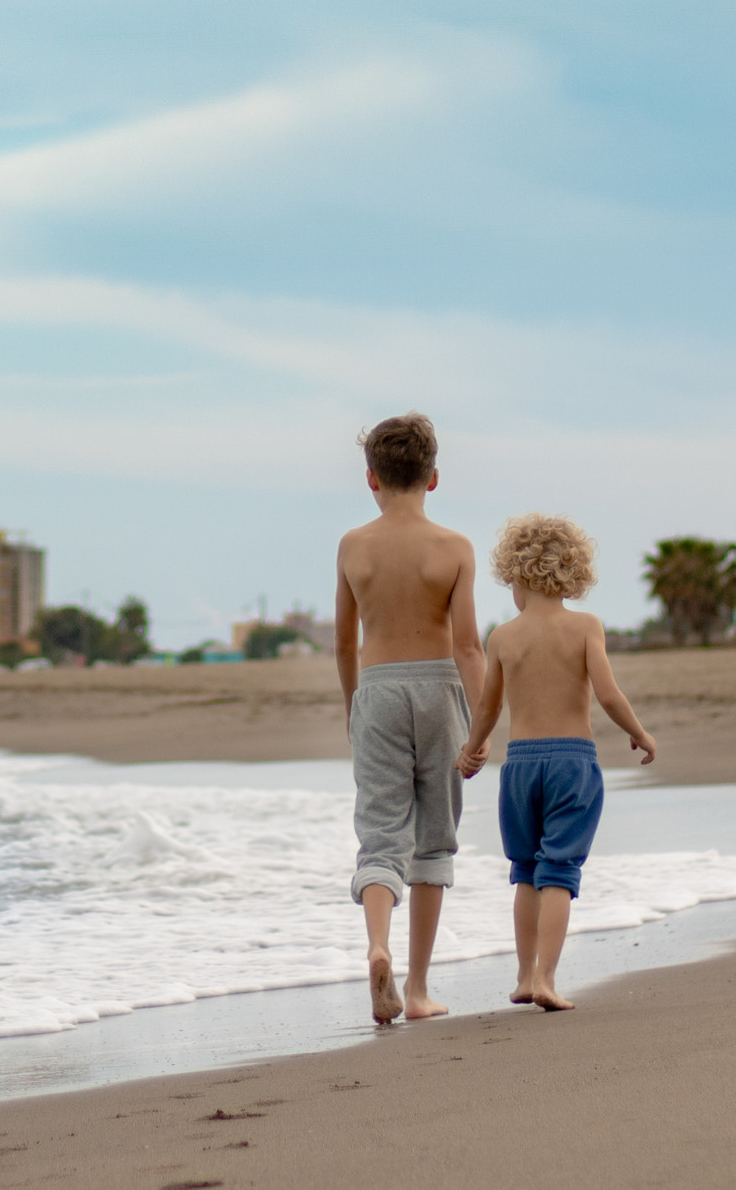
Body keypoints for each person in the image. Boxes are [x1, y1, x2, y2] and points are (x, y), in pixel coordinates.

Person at [458, 511, 657, 1010]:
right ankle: (547, 977)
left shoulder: (503, 636)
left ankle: (524, 977)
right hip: (572, 762)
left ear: (515, 576)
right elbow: (609, 696)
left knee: (525, 870)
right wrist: (639, 734)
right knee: (560, 870)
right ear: (573, 572)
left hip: (520, 766)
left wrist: (471, 748)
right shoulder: (586, 626)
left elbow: (488, 706)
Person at [335, 412, 485, 1024]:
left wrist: (354, 710)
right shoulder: (453, 549)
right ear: (435, 478)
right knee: (434, 839)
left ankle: (377, 945)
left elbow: (344, 644)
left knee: (381, 835)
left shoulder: (353, 546)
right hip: (440, 689)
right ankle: (419, 988)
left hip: (378, 688)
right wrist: (481, 727)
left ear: (370, 478)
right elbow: (470, 646)